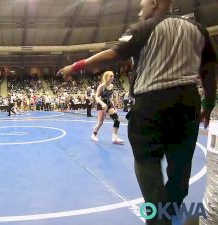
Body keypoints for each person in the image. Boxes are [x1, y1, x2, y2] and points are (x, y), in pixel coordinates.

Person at [57, 0, 217, 224]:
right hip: (187, 105)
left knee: (147, 164)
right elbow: (209, 70)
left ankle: (156, 219)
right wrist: (208, 105)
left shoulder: (145, 28)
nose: (141, 12)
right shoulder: (198, 30)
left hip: (151, 104)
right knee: (180, 170)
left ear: (155, 3)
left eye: (143, 7)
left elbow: (114, 55)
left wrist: (76, 66)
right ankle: (166, 213)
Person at [91, 71, 125, 144]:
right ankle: (94, 134)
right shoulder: (102, 86)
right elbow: (96, 97)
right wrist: (102, 103)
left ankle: (115, 138)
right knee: (100, 123)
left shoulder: (112, 86)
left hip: (108, 104)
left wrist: (113, 106)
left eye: (113, 76)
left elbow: (109, 98)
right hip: (101, 105)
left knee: (117, 120)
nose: (112, 77)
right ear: (106, 77)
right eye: (111, 76)